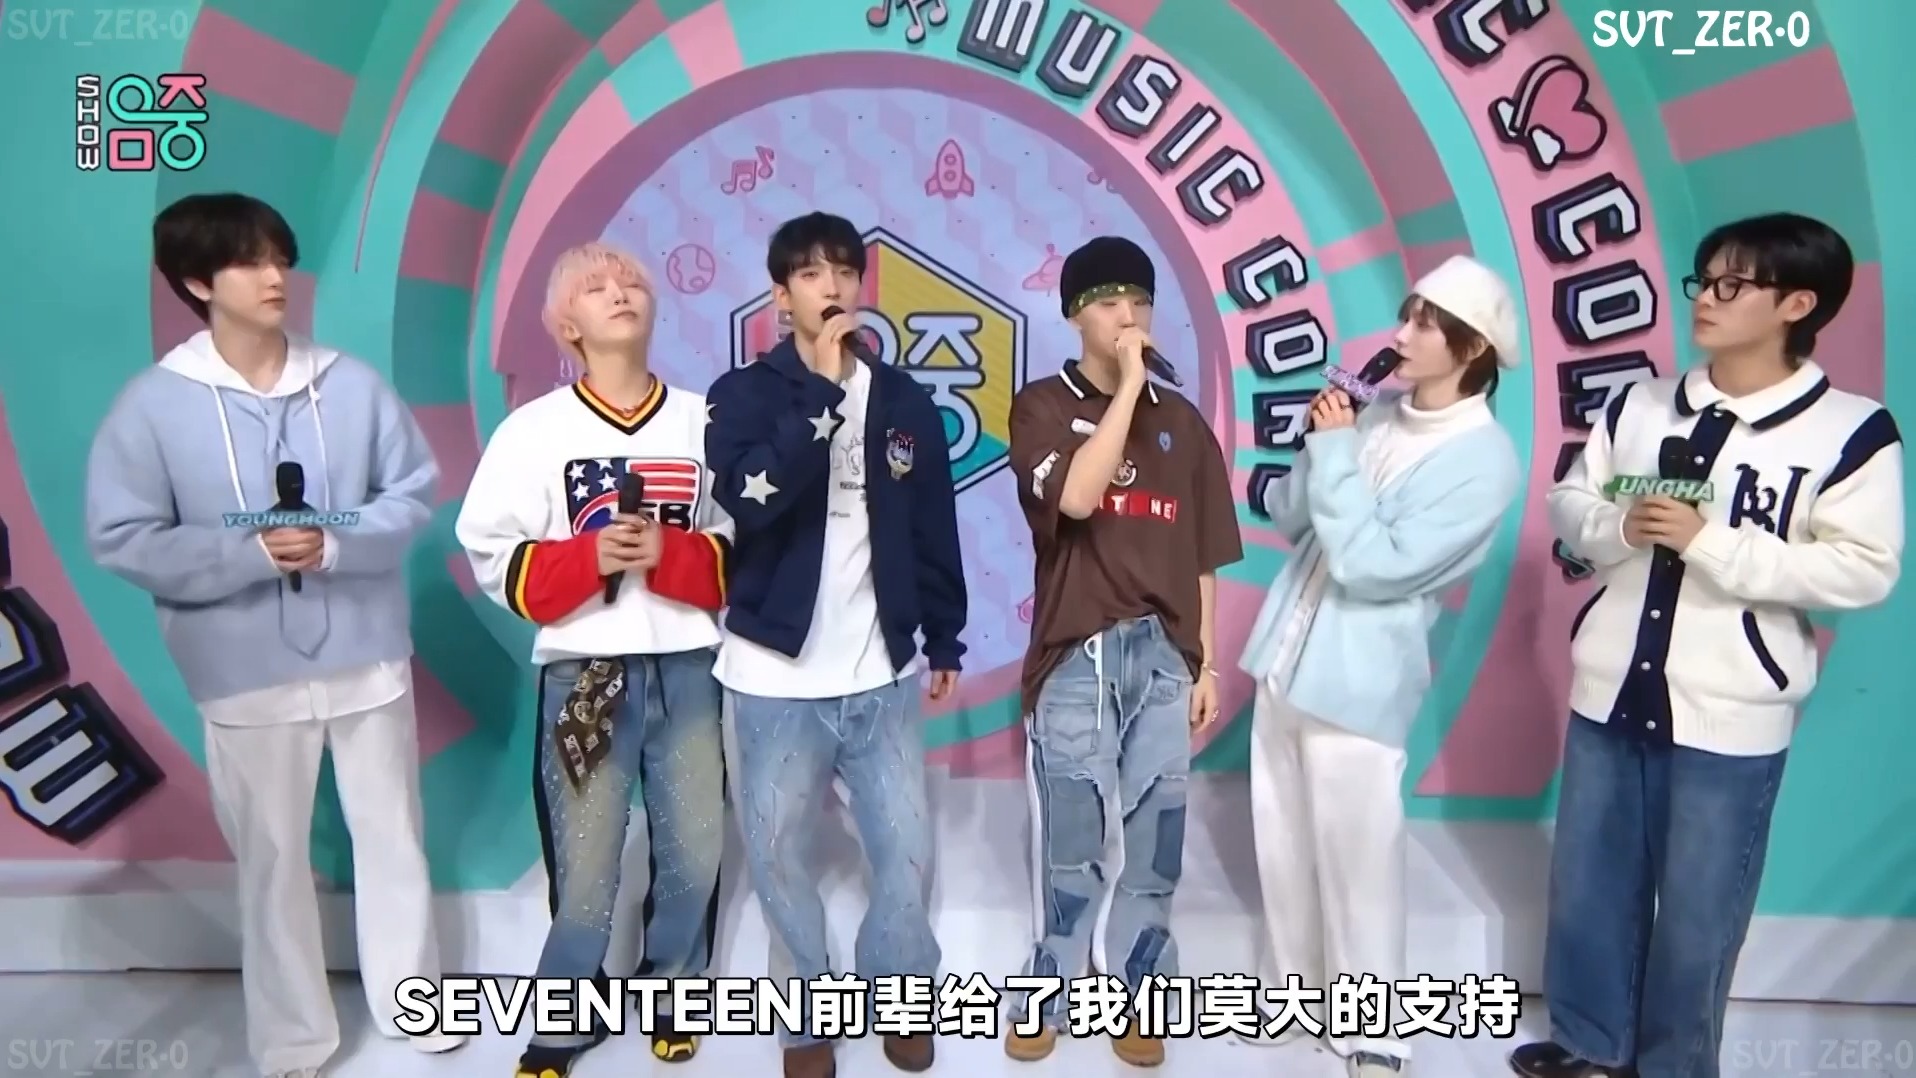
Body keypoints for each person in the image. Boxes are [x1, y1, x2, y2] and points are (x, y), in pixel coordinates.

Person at [1512, 213, 1903, 1078]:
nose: (1707, 300)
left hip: (1732, 706)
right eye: (1705, 280)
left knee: (1699, 912)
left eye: (1734, 284)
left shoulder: (1849, 430)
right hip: (1610, 686)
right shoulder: (1639, 404)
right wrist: (1620, 526)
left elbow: (1864, 569)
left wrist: (1712, 544)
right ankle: (1589, 1044)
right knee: (1589, 884)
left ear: (1798, 304)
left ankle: (1676, 1065)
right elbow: (1572, 502)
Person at [84, 193, 459, 1078]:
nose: (274, 277)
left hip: (368, 655)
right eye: (249, 261)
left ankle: (415, 1007)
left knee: (393, 838)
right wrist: (248, 552)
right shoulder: (152, 407)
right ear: (195, 282)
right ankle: (294, 1039)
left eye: (279, 258)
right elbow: (124, 537)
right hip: (240, 667)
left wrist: (336, 542)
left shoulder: (352, 385)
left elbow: (412, 491)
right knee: (273, 859)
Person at [1239, 255, 1523, 1078]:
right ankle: (1295, 998)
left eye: (1425, 325)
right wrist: (1319, 440)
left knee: (1360, 861)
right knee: (1283, 848)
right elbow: (1291, 517)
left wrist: (1336, 452)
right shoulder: (1375, 416)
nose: (1401, 335)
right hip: (1286, 661)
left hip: (1358, 683)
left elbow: (1372, 565)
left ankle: (1374, 1031)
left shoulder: (1484, 461)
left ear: (1473, 348)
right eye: (1407, 316)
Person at [455, 242, 731, 1077]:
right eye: (597, 287)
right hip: (587, 676)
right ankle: (567, 1012)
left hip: (687, 666)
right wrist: (589, 558)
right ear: (565, 324)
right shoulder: (532, 431)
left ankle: (674, 990)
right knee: (584, 862)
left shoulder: (706, 422)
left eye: (633, 282)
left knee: (697, 849)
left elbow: (741, 541)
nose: (620, 293)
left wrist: (672, 554)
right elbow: (490, 550)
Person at [704, 211, 967, 1078]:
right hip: (773, 679)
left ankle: (900, 997)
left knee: (906, 850)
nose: (833, 286)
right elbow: (752, 500)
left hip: (881, 671)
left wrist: (944, 636)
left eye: (845, 271)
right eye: (812, 273)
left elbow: (933, 525)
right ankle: (806, 1021)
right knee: (778, 855)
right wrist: (819, 393)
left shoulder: (904, 401)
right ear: (781, 296)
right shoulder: (743, 393)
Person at [1002, 235, 1244, 1067]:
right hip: (1077, 652)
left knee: (1155, 844)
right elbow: (1076, 495)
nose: (1128, 316)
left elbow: (1206, 556)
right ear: (1075, 315)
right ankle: (1048, 991)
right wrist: (1131, 386)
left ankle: (1141, 993)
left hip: (1165, 657)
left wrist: (1206, 662)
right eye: (1108, 302)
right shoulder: (1040, 407)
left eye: (1139, 300)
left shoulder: (1184, 426)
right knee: (1071, 843)